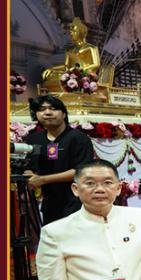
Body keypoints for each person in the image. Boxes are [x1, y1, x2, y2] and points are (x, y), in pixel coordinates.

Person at [23, 95, 95, 225]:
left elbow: (81, 171)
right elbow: (31, 164)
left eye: (53, 108)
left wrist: (43, 179)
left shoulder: (78, 138)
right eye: (42, 109)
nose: (47, 113)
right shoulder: (35, 140)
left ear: (63, 114)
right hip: (49, 204)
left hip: (75, 202)